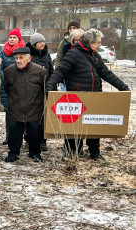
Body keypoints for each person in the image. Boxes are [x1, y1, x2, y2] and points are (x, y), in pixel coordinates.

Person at [46, 29, 130, 160]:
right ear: (90, 42)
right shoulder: (73, 54)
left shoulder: (95, 55)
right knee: (74, 127)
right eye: (98, 42)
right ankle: (71, 152)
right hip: (77, 97)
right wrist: (50, 85)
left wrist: (123, 87)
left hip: (94, 97)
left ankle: (94, 152)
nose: (100, 45)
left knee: (94, 124)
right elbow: (60, 71)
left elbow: (106, 73)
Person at [3, 47, 48, 163]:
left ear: (29, 58)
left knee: (34, 133)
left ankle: (35, 153)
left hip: (34, 109)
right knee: (14, 133)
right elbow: (6, 89)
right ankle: (13, 153)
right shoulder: (8, 71)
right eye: (16, 58)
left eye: (21, 58)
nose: (18, 60)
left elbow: (46, 90)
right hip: (15, 108)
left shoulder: (40, 72)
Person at [26, 32, 54, 151]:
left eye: (43, 41)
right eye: (40, 42)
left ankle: (43, 140)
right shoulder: (28, 55)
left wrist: (52, 86)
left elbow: (51, 71)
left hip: (44, 89)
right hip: (31, 90)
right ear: (33, 44)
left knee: (44, 117)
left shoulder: (47, 56)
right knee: (31, 116)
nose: (43, 44)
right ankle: (29, 139)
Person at [0, 28, 25, 145]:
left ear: (19, 39)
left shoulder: (23, 51)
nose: (12, 39)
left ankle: (22, 137)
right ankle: (8, 136)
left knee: (22, 112)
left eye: (15, 37)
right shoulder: (3, 52)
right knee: (9, 113)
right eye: (10, 37)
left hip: (21, 86)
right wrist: (6, 79)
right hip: (7, 86)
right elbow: (0, 68)